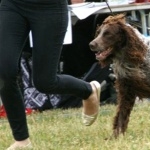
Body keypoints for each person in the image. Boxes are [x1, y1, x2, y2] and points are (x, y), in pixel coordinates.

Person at [0, 0, 100, 149]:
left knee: (45, 82)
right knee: (4, 72)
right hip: (13, 5)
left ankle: (88, 90)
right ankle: (22, 141)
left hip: (49, 8)